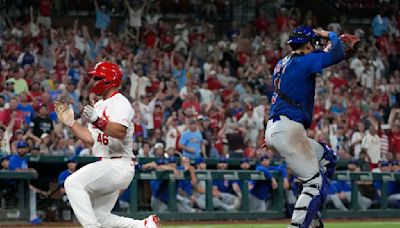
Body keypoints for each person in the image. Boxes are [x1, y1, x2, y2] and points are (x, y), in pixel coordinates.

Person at [54, 62, 159, 228]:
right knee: (100, 217)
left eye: (97, 78)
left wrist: (97, 120)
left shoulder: (120, 102)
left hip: (119, 164)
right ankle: (145, 225)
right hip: (109, 164)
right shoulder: (98, 105)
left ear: (109, 79)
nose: (93, 81)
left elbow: (120, 132)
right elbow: (90, 140)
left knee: (72, 183)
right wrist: (71, 123)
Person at [264, 25, 345, 227]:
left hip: (277, 126)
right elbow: (338, 52)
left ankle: (313, 218)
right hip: (288, 129)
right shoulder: (305, 61)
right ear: (308, 43)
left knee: (326, 158)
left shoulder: (282, 63)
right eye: (313, 42)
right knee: (314, 184)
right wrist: (330, 35)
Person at [9, 141, 47, 224]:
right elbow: (17, 170)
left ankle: (32, 216)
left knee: (32, 191)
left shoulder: (24, 159)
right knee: (31, 192)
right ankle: (31, 216)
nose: (21, 150)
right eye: (19, 148)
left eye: (23, 148)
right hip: (13, 185)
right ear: (17, 149)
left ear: (26, 149)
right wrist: (30, 170)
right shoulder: (14, 158)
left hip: (23, 184)